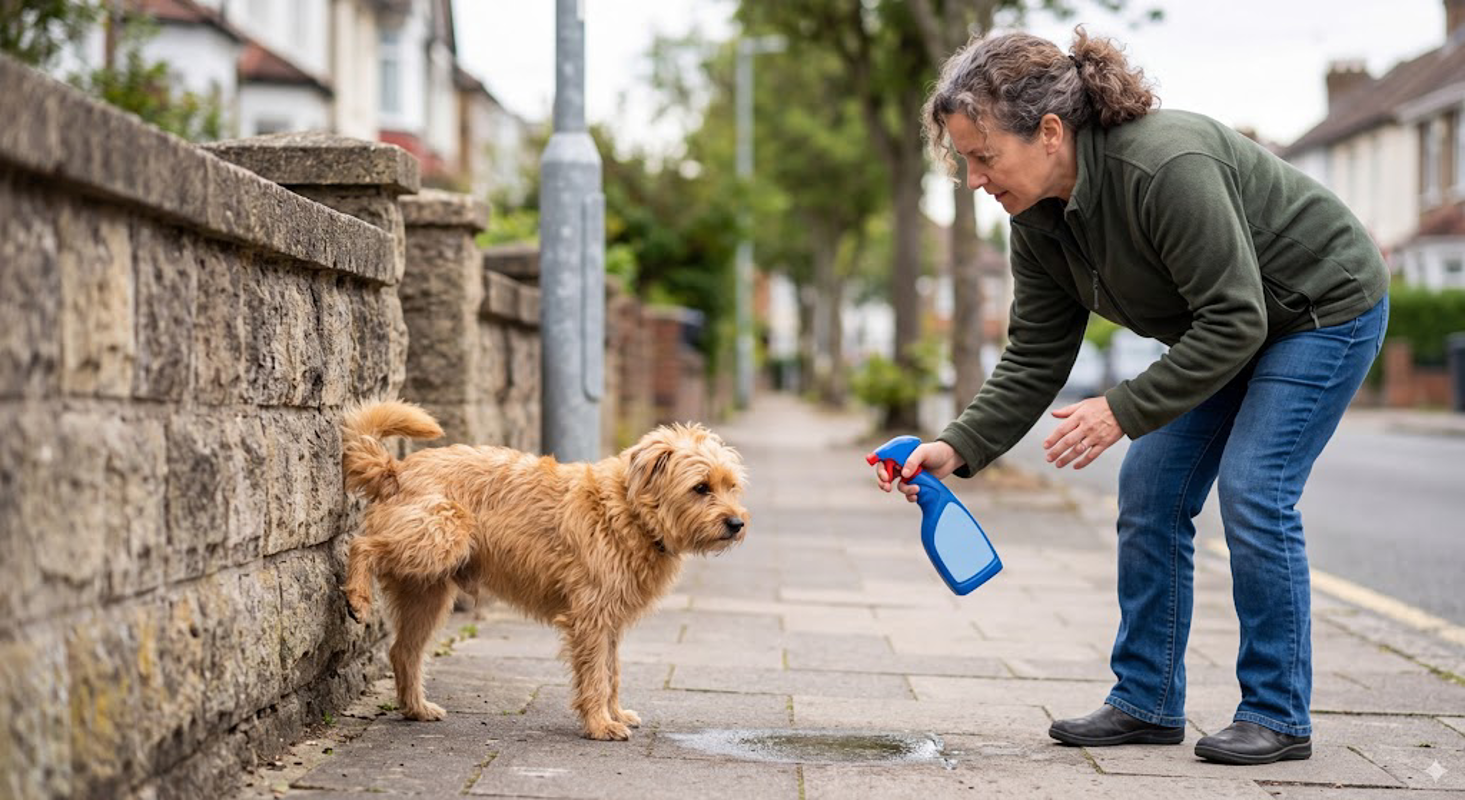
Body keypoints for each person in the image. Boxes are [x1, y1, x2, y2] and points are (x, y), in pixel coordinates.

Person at [874, 28, 1389, 766]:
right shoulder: (1036, 220)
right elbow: (1035, 352)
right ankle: (1145, 701)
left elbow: (1237, 315)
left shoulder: (1164, 166)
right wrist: (954, 446)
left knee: (1254, 487)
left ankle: (1277, 713)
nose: (974, 178)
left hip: (1318, 310)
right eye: (964, 161)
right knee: (1148, 485)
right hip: (1229, 327)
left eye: (983, 156)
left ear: (1049, 132)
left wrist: (1119, 408)